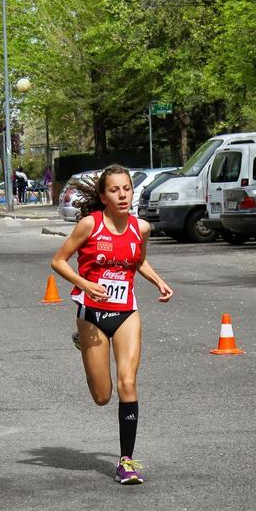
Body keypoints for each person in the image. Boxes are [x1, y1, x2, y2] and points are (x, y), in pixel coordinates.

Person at [51, 165, 173, 484]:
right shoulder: (89, 225)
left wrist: (158, 281)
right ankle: (83, 338)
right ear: (103, 197)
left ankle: (126, 462)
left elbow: (139, 260)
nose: (122, 195)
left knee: (127, 384)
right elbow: (58, 261)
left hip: (126, 313)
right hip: (91, 313)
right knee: (103, 396)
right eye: (114, 190)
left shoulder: (140, 228)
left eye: (127, 189)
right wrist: (85, 284)